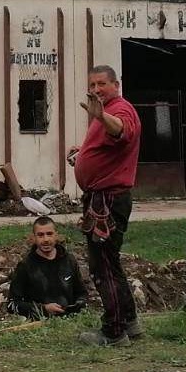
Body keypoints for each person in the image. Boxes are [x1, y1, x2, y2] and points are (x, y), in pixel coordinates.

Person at [68, 64, 143, 346]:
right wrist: (83, 153)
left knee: (102, 267)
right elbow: (108, 146)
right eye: (93, 86)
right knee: (110, 264)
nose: (97, 89)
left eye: (102, 84)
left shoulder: (120, 110)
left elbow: (122, 130)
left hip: (108, 201)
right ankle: (130, 322)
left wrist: (103, 116)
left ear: (116, 85)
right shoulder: (105, 112)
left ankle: (113, 332)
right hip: (102, 196)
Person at [4, 216, 88, 320]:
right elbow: (11, 304)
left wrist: (80, 303)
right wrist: (43, 309)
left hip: (71, 324)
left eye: (49, 234)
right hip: (39, 326)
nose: (46, 239)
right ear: (33, 238)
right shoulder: (25, 265)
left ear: (56, 235)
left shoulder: (69, 261)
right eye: (40, 235)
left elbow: (82, 293)